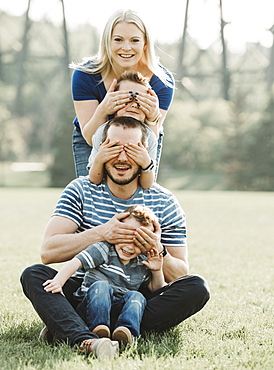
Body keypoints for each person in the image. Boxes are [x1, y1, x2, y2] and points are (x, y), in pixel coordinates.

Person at [20, 116, 210, 360]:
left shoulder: (165, 201)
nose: (122, 158)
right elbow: (48, 252)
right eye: (114, 148)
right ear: (101, 149)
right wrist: (102, 233)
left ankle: (71, 327)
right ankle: (86, 337)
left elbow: (181, 273)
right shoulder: (80, 189)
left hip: (137, 294)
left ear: (145, 153)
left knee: (197, 287)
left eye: (131, 149)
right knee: (35, 274)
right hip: (85, 289)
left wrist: (156, 248)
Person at [70, 9, 174, 177]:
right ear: (107, 42)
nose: (126, 48)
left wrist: (153, 118)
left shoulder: (162, 82)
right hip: (91, 136)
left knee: (140, 197)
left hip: (141, 138)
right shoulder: (85, 74)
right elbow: (90, 138)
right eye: (118, 40)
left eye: (134, 40)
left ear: (145, 44)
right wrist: (104, 109)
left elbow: (150, 141)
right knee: (91, 195)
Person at [43, 205, 165, 345]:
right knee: (102, 286)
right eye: (126, 237)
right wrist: (58, 281)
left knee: (137, 296)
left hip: (116, 311)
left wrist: (157, 270)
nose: (130, 247)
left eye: (138, 243)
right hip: (89, 306)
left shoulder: (141, 262)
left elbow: (156, 289)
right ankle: (97, 328)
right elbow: (76, 262)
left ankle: (126, 332)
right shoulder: (104, 249)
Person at [88, 70, 157, 189]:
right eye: (128, 98)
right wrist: (99, 160)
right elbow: (94, 179)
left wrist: (146, 163)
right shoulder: (103, 131)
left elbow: (147, 185)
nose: (134, 105)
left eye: (141, 101)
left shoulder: (150, 136)